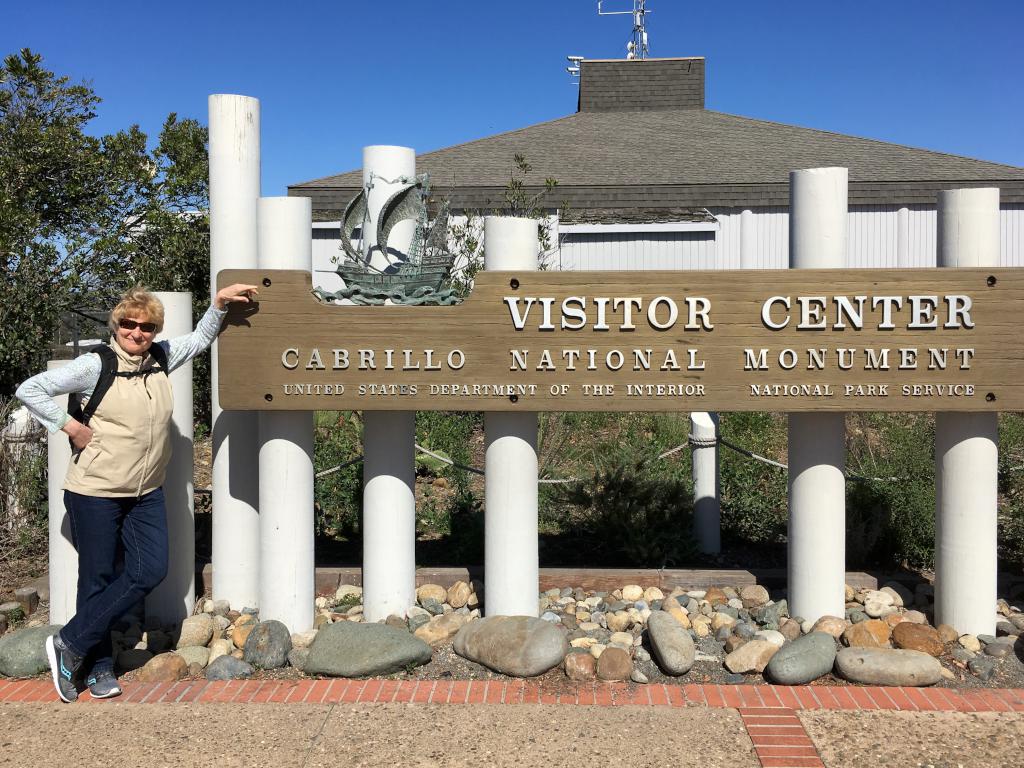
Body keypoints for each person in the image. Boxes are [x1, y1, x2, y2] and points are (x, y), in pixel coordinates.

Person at [15, 282, 257, 702]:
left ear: (154, 330)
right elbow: (30, 389)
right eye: (128, 324)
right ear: (116, 324)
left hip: (145, 491)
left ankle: (68, 642)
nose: (136, 332)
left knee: (150, 569)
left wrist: (217, 304)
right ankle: (98, 666)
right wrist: (69, 426)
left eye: (145, 326)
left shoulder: (161, 358)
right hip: (96, 492)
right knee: (98, 577)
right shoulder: (94, 365)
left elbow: (200, 339)